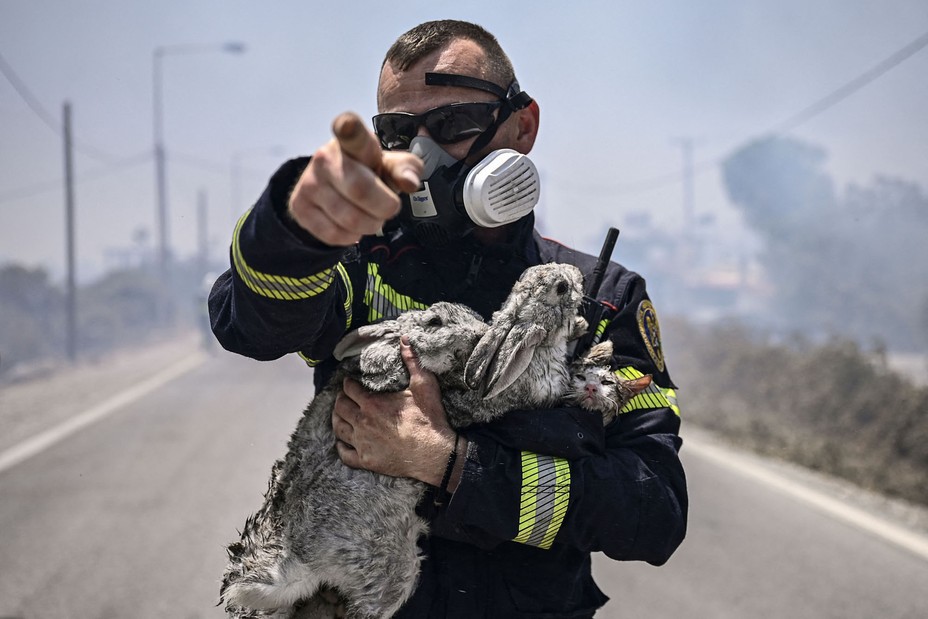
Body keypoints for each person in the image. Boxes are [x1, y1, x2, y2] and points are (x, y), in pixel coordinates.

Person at [209, 19, 687, 619]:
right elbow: (247, 326)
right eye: (399, 132)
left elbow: (654, 513)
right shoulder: (357, 263)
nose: (422, 155)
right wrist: (291, 232)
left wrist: (448, 463)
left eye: (453, 125)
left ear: (523, 126)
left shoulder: (592, 300)